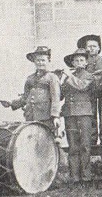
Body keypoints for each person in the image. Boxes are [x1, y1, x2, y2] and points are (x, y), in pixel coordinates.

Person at [61, 48, 95, 183]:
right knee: (73, 145)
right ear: (72, 63)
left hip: (84, 113)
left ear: (86, 63)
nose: (79, 62)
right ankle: (75, 176)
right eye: (76, 61)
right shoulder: (68, 77)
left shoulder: (89, 76)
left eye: (82, 60)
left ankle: (86, 176)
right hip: (70, 113)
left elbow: (81, 87)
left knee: (85, 145)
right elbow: (60, 95)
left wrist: (68, 76)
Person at [7, 46, 62, 127]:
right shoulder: (30, 78)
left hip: (46, 117)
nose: (40, 63)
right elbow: (25, 97)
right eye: (38, 60)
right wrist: (12, 103)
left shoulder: (52, 77)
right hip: (31, 116)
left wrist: (56, 116)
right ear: (34, 62)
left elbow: (55, 98)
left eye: (43, 60)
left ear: (48, 61)